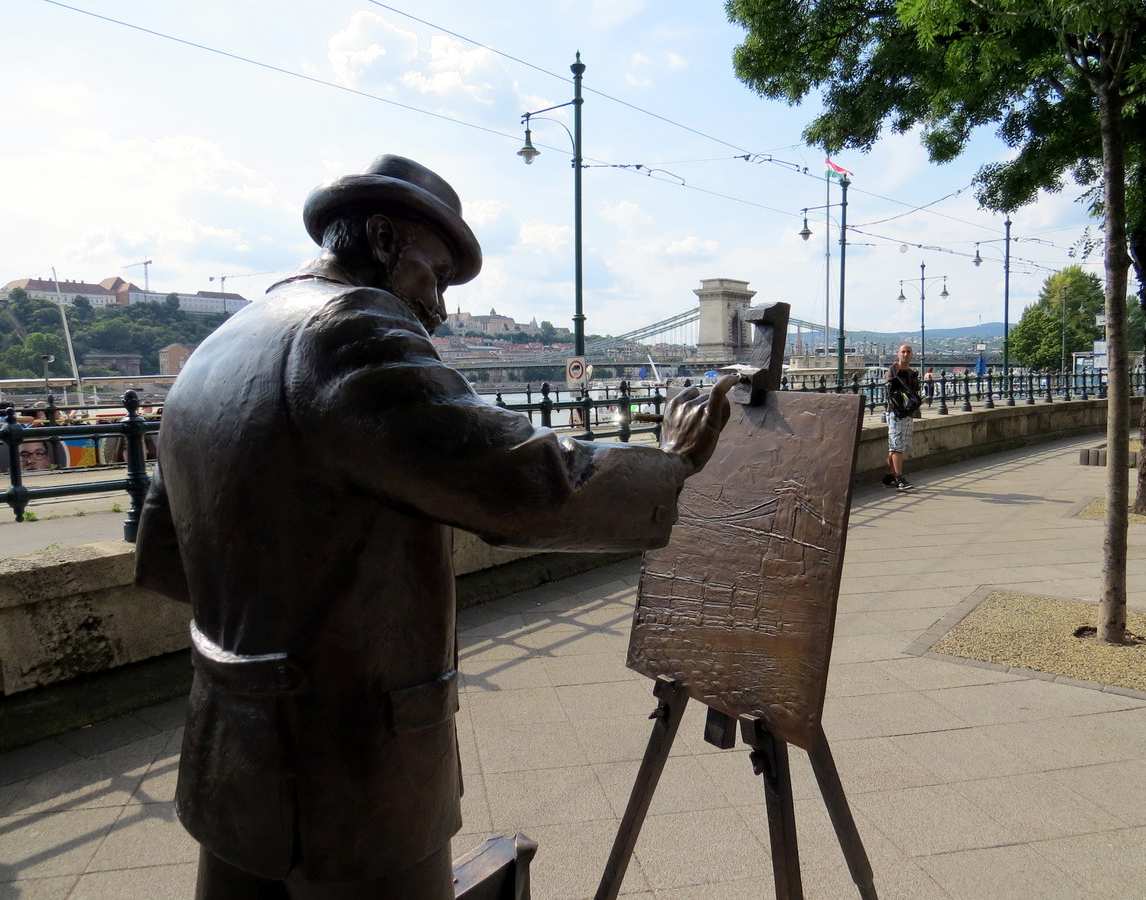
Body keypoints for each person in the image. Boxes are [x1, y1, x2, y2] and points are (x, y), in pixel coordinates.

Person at [134, 155, 738, 899]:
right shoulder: (346, 327)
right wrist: (670, 464)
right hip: (349, 767)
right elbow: (520, 483)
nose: (441, 309)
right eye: (438, 275)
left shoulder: (221, 345)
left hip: (228, 750)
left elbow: (166, 555)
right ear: (384, 238)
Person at [883, 344, 921, 491]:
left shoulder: (912, 373)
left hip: (907, 413)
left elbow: (914, 392)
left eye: (908, 352)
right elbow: (890, 389)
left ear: (912, 355)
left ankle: (889, 477)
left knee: (897, 446)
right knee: (896, 445)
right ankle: (899, 478)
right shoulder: (893, 370)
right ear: (898, 354)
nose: (905, 354)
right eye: (903, 352)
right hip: (895, 413)